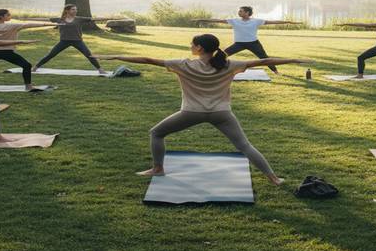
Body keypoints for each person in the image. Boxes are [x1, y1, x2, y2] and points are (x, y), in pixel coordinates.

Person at [95, 34, 312, 185]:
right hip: (222, 113)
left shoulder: (184, 64)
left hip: (191, 112)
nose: (190, 46)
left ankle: (158, 169)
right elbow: (264, 60)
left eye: (192, 44)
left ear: (199, 48)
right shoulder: (229, 64)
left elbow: (147, 59)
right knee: (244, 145)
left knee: (156, 133)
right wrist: (294, 59)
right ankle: (274, 178)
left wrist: (116, 57)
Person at [0, 9, 59, 91]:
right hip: (7, 52)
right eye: (8, 15)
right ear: (2, 17)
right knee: (27, 65)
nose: (10, 16)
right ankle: (28, 86)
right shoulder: (12, 26)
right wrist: (48, 24)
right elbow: (30, 25)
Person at [194, 6, 300, 75]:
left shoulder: (256, 21)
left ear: (247, 12)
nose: (239, 12)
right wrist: (201, 19)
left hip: (254, 43)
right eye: (239, 11)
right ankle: (209, 69)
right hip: (239, 44)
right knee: (221, 55)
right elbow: (218, 20)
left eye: (241, 11)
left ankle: (276, 72)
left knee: (264, 58)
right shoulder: (234, 21)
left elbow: (272, 22)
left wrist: (288, 22)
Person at [26, 4, 110, 74]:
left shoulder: (79, 19)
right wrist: (27, 19)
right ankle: (35, 67)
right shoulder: (60, 19)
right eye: (73, 9)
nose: (75, 11)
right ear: (67, 10)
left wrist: (108, 18)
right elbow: (45, 19)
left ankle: (100, 70)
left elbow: (94, 19)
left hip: (78, 41)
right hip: (64, 41)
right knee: (51, 54)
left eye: (76, 9)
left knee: (89, 55)